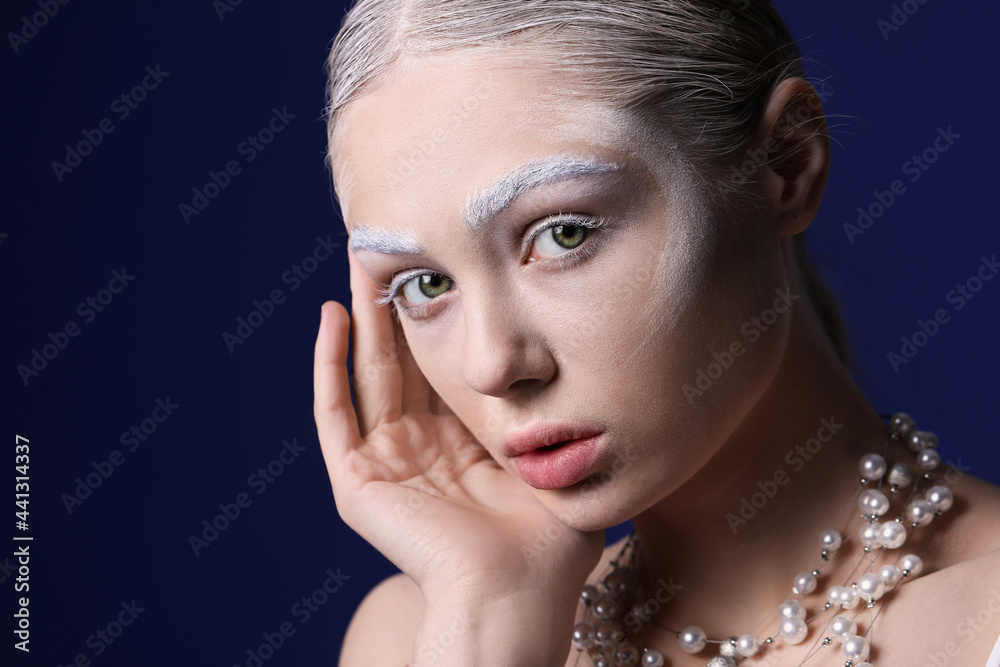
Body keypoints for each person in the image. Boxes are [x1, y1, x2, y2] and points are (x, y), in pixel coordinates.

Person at [312, 1, 1000, 665]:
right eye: (425, 284)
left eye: (564, 233)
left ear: (786, 166)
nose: (491, 364)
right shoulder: (418, 638)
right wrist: (491, 617)